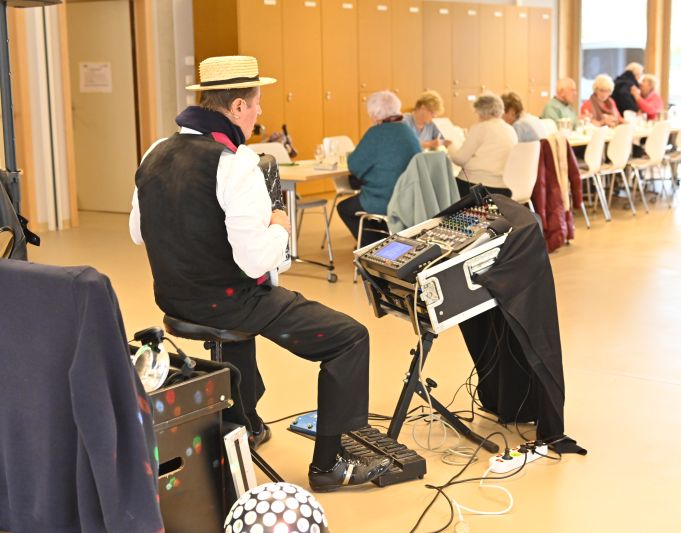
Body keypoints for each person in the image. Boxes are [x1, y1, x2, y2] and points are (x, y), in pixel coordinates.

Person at [129, 56, 391, 492]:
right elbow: (255, 263)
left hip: (173, 300)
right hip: (229, 301)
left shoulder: (157, 150)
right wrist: (280, 227)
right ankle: (331, 464)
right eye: (256, 104)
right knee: (349, 338)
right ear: (235, 108)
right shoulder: (235, 163)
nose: (259, 113)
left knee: (238, 325)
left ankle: (245, 421)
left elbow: (139, 232)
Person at [337, 90, 421, 244]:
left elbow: (354, 165)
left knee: (344, 208)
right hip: (410, 198)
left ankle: (372, 247)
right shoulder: (408, 131)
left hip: (384, 200)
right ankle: (384, 240)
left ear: (375, 115)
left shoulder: (376, 132)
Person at [446, 93, 518, 197]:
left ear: (482, 111)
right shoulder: (510, 129)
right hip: (503, 190)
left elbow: (459, 159)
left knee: (444, 187)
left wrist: (450, 146)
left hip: (476, 188)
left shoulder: (481, 127)